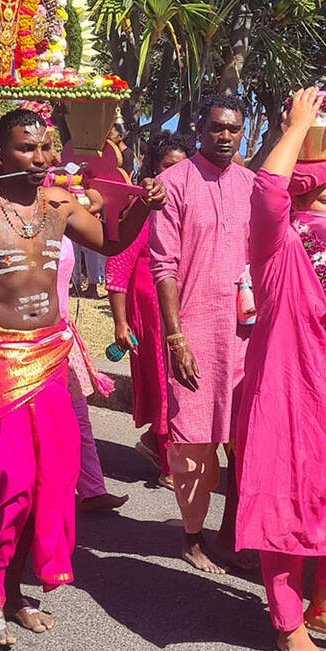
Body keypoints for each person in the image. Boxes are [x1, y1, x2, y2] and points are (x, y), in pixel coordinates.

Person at [0, 108, 166, 647]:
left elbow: (112, 243)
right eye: (26, 149)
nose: (41, 159)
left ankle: (15, 590)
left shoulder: (59, 203)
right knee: (11, 478)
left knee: (53, 478)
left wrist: (145, 207)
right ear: (0, 154)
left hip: (51, 350)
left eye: (46, 148)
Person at [236, 88, 326, 651]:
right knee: (286, 517)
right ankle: (288, 624)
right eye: (325, 194)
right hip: (289, 402)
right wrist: (294, 127)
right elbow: (266, 191)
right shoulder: (277, 250)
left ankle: (325, 606)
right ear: (300, 201)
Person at [149, 94, 254, 575]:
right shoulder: (173, 183)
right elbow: (163, 265)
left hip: (246, 335)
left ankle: (237, 533)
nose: (226, 136)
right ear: (199, 128)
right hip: (193, 331)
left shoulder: (253, 185)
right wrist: (176, 339)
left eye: (234, 128)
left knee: (245, 440)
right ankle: (193, 537)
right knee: (193, 443)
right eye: (217, 128)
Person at [105, 131, 196, 489]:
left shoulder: (191, 202)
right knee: (164, 383)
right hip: (150, 308)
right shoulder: (143, 207)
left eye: (183, 166)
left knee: (182, 383)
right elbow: (118, 267)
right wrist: (120, 321)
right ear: (154, 169)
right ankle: (168, 463)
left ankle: (155, 446)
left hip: (182, 305)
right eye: (168, 167)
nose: (176, 174)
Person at [57, 234, 127, 512]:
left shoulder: (67, 216)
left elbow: (112, 239)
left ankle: (93, 490)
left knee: (79, 420)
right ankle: (40, 494)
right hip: (28, 343)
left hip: (62, 336)